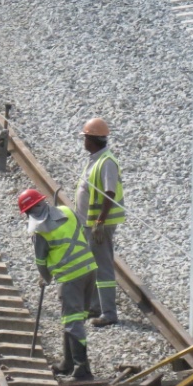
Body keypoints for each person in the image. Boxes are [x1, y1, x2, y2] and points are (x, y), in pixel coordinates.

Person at [19, 189, 97, 382]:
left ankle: (83, 370)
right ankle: (67, 363)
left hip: (70, 277)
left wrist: (45, 278)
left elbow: (41, 261)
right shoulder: (67, 211)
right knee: (74, 319)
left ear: (30, 212)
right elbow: (81, 231)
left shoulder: (40, 231)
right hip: (89, 268)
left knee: (73, 322)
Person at [74, 117, 124, 327]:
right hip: (90, 223)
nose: (83, 141)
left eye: (85, 137)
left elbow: (109, 193)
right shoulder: (96, 159)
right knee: (92, 266)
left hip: (98, 225)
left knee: (102, 267)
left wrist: (100, 221)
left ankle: (109, 313)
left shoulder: (107, 162)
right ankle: (95, 307)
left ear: (92, 140)